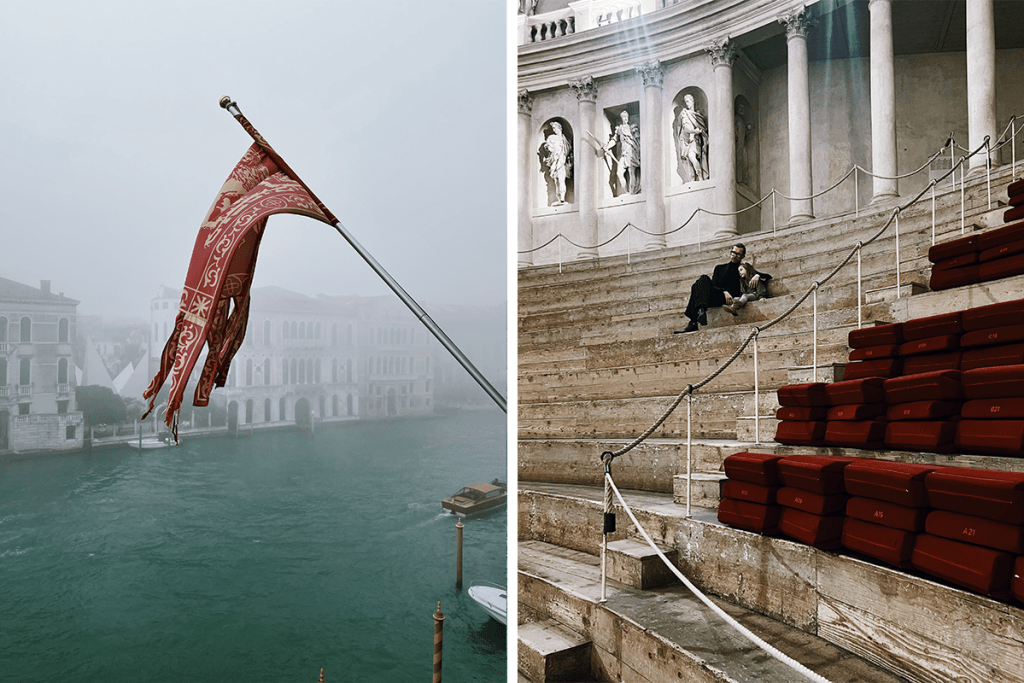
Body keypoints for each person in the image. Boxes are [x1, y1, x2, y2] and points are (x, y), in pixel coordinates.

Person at [675, 244, 771, 333]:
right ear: (730, 253)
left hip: (732, 300)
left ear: (743, 256)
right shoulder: (720, 268)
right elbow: (713, 285)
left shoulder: (742, 269)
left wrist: (757, 275)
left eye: (738, 254)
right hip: (718, 295)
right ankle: (701, 311)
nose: (735, 256)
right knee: (702, 279)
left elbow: (767, 276)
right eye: (733, 253)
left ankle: (694, 322)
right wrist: (723, 291)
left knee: (696, 286)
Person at [674, 94, 708, 183]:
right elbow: (685, 128)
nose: (687, 104)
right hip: (685, 140)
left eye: (688, 101)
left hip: (695, 140)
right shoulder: (684, 113)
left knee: (692, 157)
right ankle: (692, 179)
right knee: (688, 160)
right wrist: (695, 131)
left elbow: (702, 127)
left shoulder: (697, 115)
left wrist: (699, 132)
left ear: (693, 101)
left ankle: (700, 176)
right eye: (686, 102)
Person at [606, 110, 640, 195]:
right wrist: (607, 147)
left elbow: (637, 139)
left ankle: (632, 192)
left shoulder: (631, 128)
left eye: (627, 117)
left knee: (631, 172)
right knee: (619, 172)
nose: (625, 119)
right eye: (624, 117)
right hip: (623, 154)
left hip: (631, 152)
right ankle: (626, 191)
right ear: (621, 118)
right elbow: (614, 140)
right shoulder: (619, 129)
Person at [542, 122, 572, 205]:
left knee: (561, 179)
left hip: (561, 160)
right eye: (553, 128)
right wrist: (548, 147)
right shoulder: (552, 138)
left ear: (560, 128)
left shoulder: (563, 139)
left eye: (555, 128)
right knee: (556, 180)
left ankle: (562, 197)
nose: (554, 130)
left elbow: (567, 148)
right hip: (555, 160)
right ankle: (559, 198)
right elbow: (550, 149)